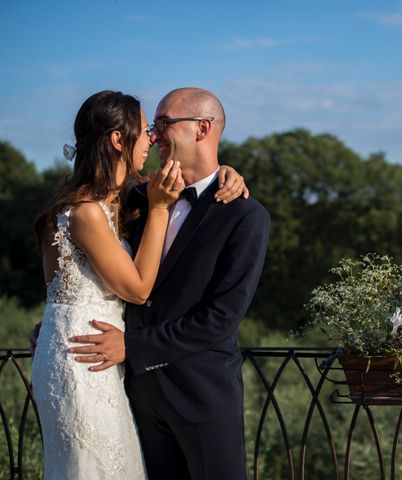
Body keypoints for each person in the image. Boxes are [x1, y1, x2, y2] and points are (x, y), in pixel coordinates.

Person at [31, 90, 248, 479]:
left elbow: (221, 317)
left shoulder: (239, 214)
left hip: (180, 387)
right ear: (118, 140)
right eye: (150, 128)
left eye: (161, 126)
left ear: (202, 128)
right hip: (102, 367)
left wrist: (225, 174)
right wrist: (56, 325)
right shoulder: (119, 204)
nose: (153, 137)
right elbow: (133, 289)